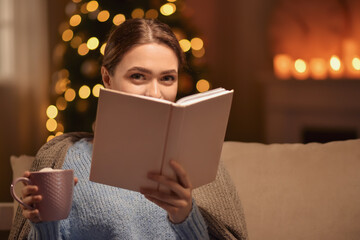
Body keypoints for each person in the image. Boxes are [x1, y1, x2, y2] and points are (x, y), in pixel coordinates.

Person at [9, 19, 248, 240]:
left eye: (167, 78)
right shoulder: (63, 159)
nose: (155, 93)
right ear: (107, 78)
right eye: (138, 76)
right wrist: (43, 224)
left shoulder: (201, 162)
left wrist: (185, 216)